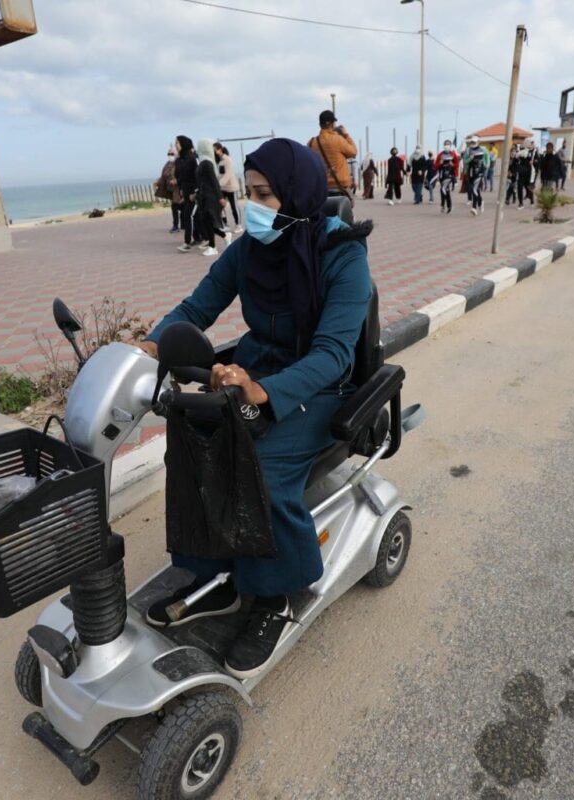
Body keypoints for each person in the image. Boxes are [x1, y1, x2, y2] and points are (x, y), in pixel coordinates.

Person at [133, 138, 372, 679]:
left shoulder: (343, 255)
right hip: (250, 374)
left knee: (257, 470)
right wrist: (148, 345)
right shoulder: (247, 251)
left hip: (316, 389)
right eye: (251, 192)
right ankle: (214, 576)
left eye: (266, 194)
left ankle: (275, 596)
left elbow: (334, 354)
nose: (254, 205)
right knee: (192, 444)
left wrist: (266, 391)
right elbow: (197, 308)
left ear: (296, 193)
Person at [308, 110, 357, 195]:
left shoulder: (312, 143)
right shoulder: (338, 140)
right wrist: (346, 135)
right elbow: (353, 152)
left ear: (320, 124)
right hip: (340, 186)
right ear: (331, 124)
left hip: (322, 187)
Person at [192, 139, 226, 257]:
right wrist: (196, 193)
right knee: (205, 221)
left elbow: (213, 181)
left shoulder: (207, 163)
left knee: (208, 221)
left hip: (210, 197)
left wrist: (220, 197)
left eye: (199, 146)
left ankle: (212, 247)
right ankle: (225, 236)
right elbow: (201, 182)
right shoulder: (202, 162)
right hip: (203, 196)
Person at [174, 135, 199, 252]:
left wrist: (195, 192)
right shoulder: (179, 160)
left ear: (183, 144)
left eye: (177, 143)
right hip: (186, 193)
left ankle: (187, 242)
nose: (176, 145)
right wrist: (181, 191)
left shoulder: (193, 159)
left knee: (190, 216)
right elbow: (180, 177)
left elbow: (198, 176)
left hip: (194, 194)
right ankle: (199, 238)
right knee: (189, 216)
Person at [215, 142, 242, 234]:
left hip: (231, 187)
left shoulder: (227, 159)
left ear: (220, 149)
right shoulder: (218, 161)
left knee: (234, 207)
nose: (214, 152)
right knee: (220, 206)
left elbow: (228, 174)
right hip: (222, 188)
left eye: (215, 149)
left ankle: (238, 225)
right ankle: (225, 224)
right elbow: (219, 175)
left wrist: (218, 184)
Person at [156, 147, 182, 234]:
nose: (170, 155)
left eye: (172, 154)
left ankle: (178, 225)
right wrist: (158, 181)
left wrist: (176, 181)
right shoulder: (167, 164)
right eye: (169, 154)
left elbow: (183, 175)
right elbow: (163, 175)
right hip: (170, 189)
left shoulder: (179, 163)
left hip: (178, 189)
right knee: (175, 206)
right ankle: (176, 225)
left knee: (178, 206)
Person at [462, 136, 490, 216]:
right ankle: (481, 202)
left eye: (474, 142)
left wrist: (487, 164)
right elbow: (464, 161)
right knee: (474, 189)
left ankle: (474, 208)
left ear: (478, 142)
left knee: (474, 189)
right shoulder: (468, 150)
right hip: (471, 172)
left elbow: (487, 157)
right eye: (472, 142)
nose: (473, 143)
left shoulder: (483, 149)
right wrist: (470, 159)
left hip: (480, 171)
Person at [433, 140, 459, 213]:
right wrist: (440, 163)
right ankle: (446, 205)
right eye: (445, 145)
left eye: (448, 145)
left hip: (450, 175)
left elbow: (457, 164)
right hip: (442, 175)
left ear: (450, 146)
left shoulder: (453, 154)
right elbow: (435, 166)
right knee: (445, 190)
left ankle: (445, 205)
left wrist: (452, 164)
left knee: (443, 189)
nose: (446, 146)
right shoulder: (440, 155)